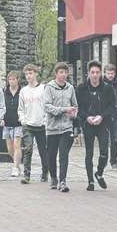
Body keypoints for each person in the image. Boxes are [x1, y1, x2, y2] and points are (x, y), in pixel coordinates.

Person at [40, 62, 78, 192]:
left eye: (65, 72)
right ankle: (54, 178)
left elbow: (75, 105)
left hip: (66, 127)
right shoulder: (49, 88)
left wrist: (73, 113)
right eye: (61, 72)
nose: (63, 75)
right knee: (51, 155)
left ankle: (63, 181)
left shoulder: (70, 88)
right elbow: (47, 106)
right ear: (56, 74)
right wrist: (63, 109)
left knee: (64, 155)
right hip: (52, 128)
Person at [76, 61, 114, 191]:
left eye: (97, 72)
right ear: (88, 73)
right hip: (88, 124)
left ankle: (99, 173)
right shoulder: (81, 88)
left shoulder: (107, 88)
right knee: (89, 153)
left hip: (102, 123)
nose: (95, 75)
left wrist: (102, 116)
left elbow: (111, 106)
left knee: (104, 151)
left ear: (101, 73)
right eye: (92, 72)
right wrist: (86, 117)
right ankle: (90, 181)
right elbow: (78, 108)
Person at [18, 64, 46, 183]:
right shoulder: (24, 91)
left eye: (31, 73)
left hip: (41, 124)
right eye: (27, 74)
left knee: (43, 150)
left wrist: (45, 121)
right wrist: (23, 120)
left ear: (36, 74)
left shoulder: (43, 89)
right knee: (28, 149)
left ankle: (45, 172)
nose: (29, 76)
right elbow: (21, 108)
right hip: (28, 125)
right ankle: (27, 175)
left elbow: (47, 106)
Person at [1, 70, 25, 183]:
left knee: (17, 145)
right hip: (7, 123)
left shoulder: (22, 91)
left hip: (19, 123)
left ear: (17, 80)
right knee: (10, 149)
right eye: (9, 79)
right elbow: (0, 106)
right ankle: (17, 163)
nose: (11, 81)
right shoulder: (4, 91)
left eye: (13, 79)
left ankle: (15, 168)